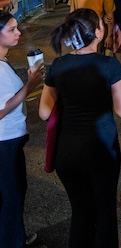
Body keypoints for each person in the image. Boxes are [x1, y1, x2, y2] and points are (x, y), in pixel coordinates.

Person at [39, 9, 121, 248]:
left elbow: (43, 112)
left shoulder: (58, 65)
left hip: (67, 152)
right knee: (105, 213)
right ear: (98, 32)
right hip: (101, 150)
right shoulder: (108, 64)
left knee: (81, 213)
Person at [0, 12, 43, 248]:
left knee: (11, 193)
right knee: (12, 195)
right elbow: (1, 110)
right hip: (5, 140)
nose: (18, 33)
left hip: (9, 139)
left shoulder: (3, 61)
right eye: (11, 29)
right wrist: (31, 85)